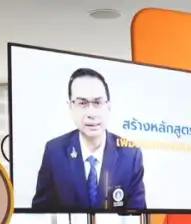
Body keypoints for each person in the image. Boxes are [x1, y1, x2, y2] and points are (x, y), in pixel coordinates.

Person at [31, 68, 146, 212]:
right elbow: (39, 211)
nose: (91, 113)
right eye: (82, 103)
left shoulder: (131, 155)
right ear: (70, 107)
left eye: (98, 102)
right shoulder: (54, 151)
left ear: (109, 106)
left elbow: (138, 214)